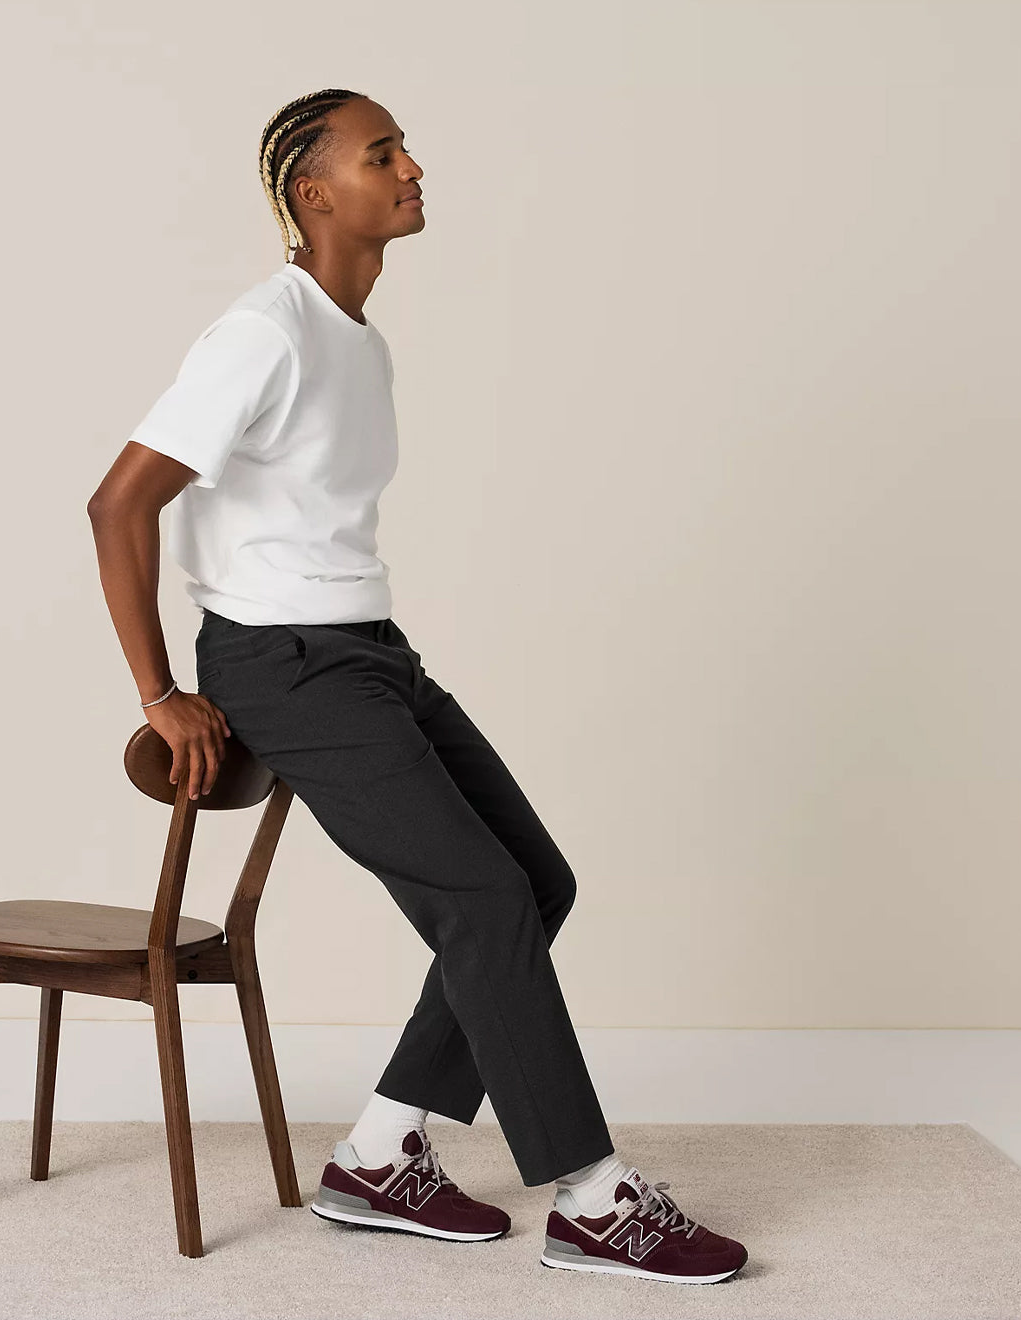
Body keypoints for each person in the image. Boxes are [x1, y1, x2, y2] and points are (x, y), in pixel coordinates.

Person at [87, 87, 747, 1285]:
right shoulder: (264, 331)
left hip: (370, 651)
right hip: (283, 664)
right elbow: (119, 501)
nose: (412, 169)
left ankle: (382, 1155)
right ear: (314, 192)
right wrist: (158, 691)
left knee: (533, 882)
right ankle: (593, 1199)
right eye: (382, 153)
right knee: (484, 901)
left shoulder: (357, 339)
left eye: (405, 150)